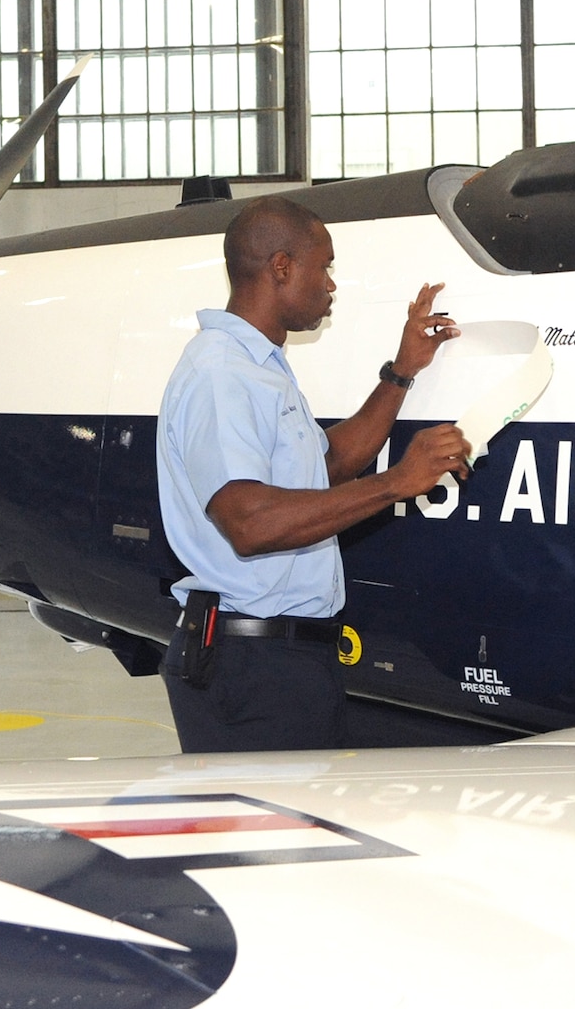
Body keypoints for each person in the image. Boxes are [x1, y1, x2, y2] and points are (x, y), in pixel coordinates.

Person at [156, 195, 472, 753]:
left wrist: (401, 373)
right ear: (281, 267)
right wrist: (397, 481)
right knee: (265, 838)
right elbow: (250, 523)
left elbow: (325, 466)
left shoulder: (261, 367)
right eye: (324, 266)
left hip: (283, 659)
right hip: (250, 667)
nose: (330, 285)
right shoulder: (222, 373)